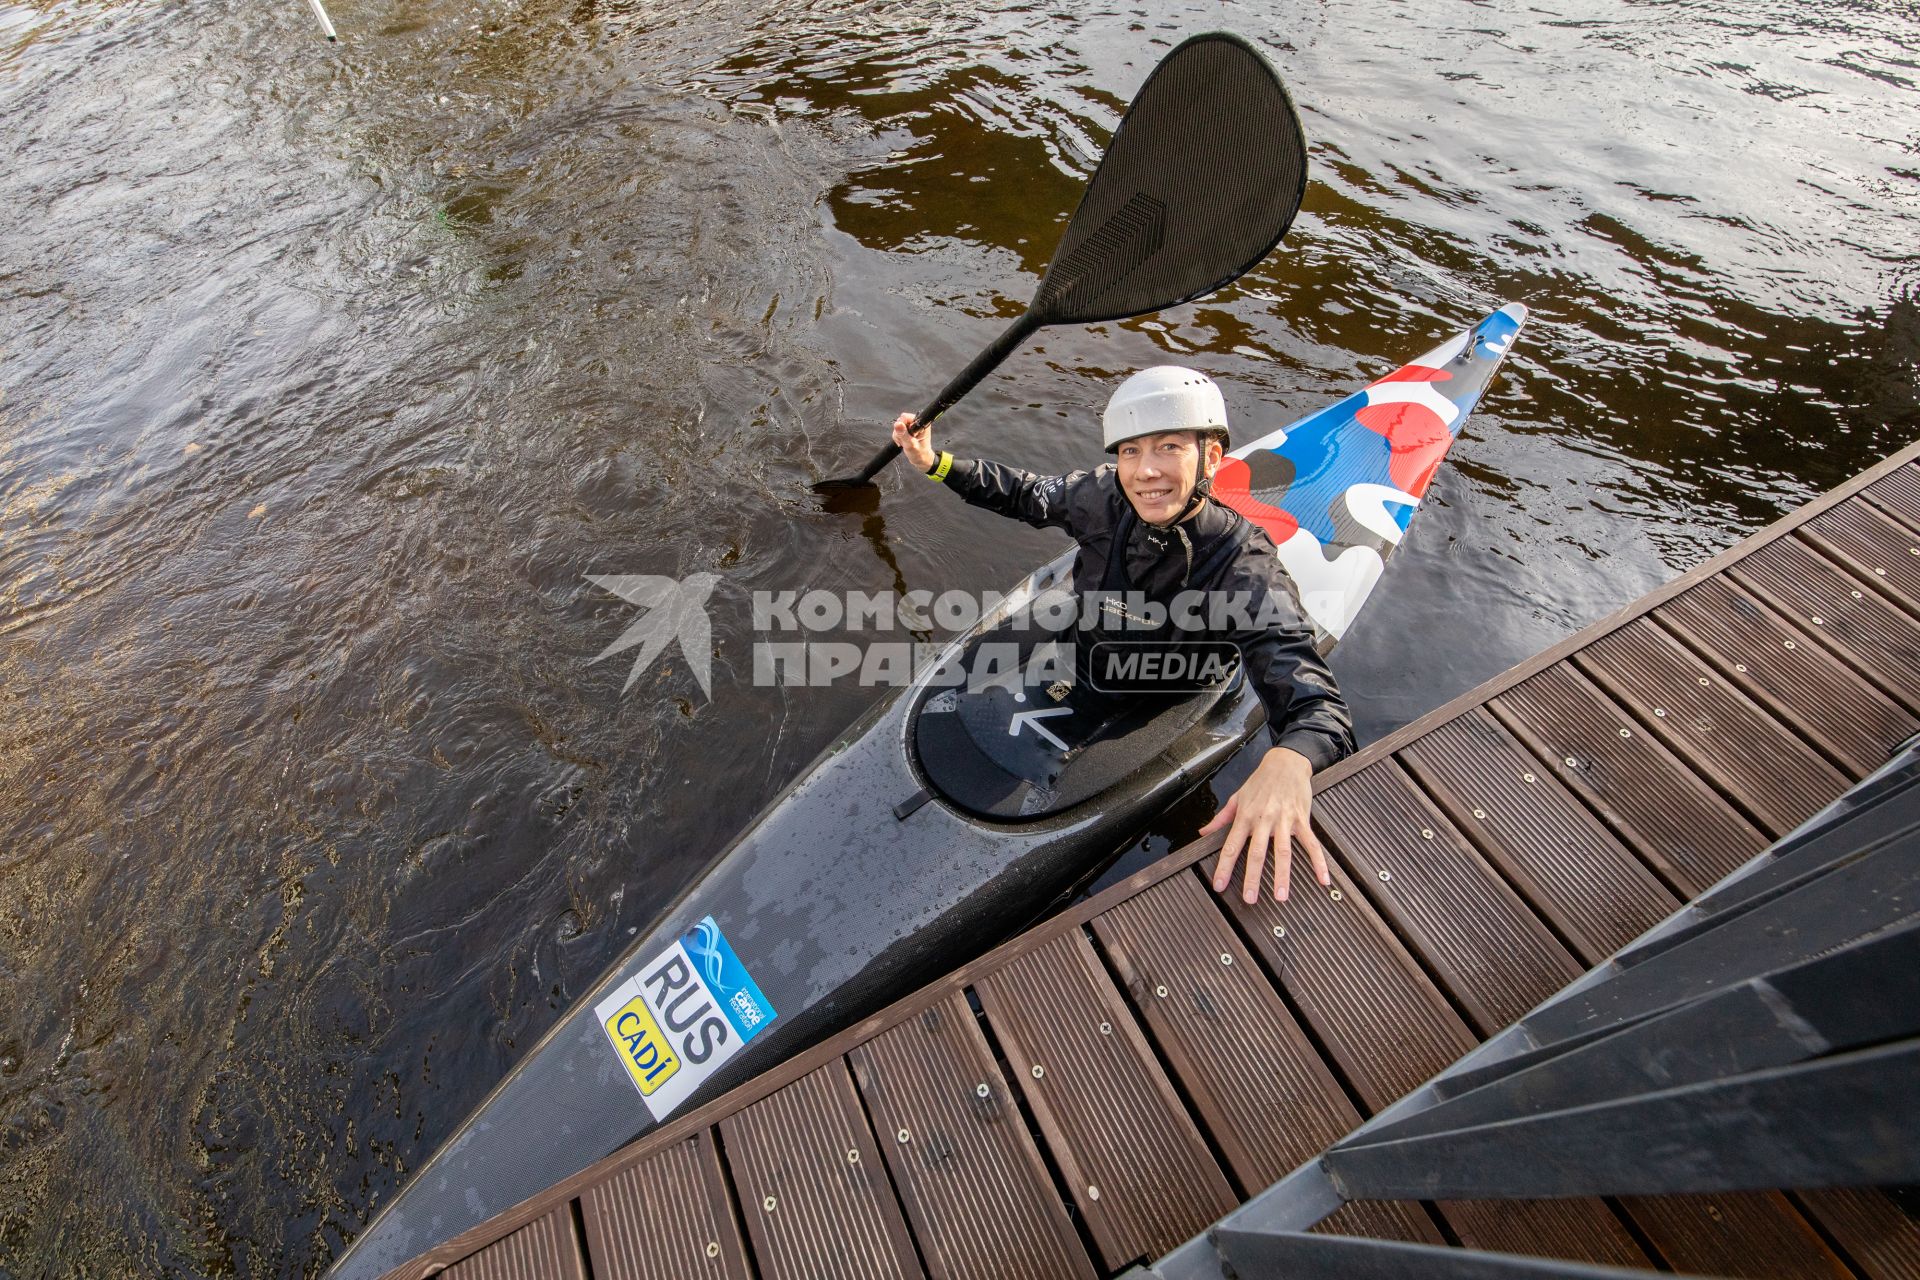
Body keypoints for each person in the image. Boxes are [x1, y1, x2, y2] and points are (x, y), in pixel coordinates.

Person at [890, 365, 1355, 905]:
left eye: (1169, 447)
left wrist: (1292, 757)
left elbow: (1315, 702)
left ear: (1211, 458)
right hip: (1082, 656)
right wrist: (934, 463)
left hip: (1164, 691)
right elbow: (1022, 493)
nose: (1145, 472)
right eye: (1130, 451)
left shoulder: (1246, 571)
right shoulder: (1100, 495)